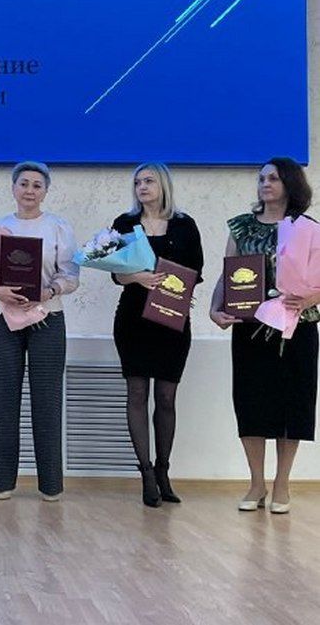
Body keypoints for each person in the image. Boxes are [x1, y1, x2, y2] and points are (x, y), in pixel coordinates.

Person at [210, 157, 319, 515]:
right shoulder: (241, 227)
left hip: (297, 328)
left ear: (290, 183)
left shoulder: (308, 228)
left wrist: (312, 298)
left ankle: (282, 483)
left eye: (273, 178)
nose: (265, 184)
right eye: (261, 179)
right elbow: (227, 273)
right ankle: (256, 482)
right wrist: (215, 308)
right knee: (251, 403)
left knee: (293, 405)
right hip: (251, 329)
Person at [0, 162, 79, 501]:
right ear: (13, 188)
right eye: (24, 184)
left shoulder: (58, 227)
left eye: (37, 185)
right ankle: (1, 482)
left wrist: (49, 292)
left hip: (48, 319)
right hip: (3, 320)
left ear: (45, 191)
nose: (30, 190)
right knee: (3, 399)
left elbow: (71, 275)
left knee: (47, 401)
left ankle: (50, 485)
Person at [110, 163, 203, 507]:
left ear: (163, 185)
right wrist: (138, 277)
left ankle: (164, 470)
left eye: (149, 180)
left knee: (166, 397)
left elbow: (196, 270)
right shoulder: (124, 224)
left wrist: (174, 284)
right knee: (136, 393)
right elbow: (115, 273)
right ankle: (146, 473)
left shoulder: (184, 224)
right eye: (137, 182)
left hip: (170, 317)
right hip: (133, 319)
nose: (142, 186)